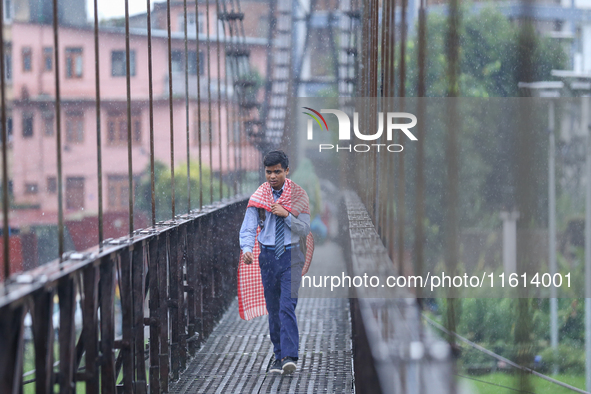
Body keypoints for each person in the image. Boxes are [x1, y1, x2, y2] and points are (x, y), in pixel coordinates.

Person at [239, 150, 312, 374]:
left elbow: (305, 228)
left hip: (291, 256)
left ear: (286, 171)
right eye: (269, 172)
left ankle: (290, 356)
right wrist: (247, 248)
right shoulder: (259, 196)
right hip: (268, 257)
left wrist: (286, 215)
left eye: (277, 172)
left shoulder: (298, 195)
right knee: (273, 308)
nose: (272, 176)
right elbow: (249, 225)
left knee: (286, 305)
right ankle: (279, 354)